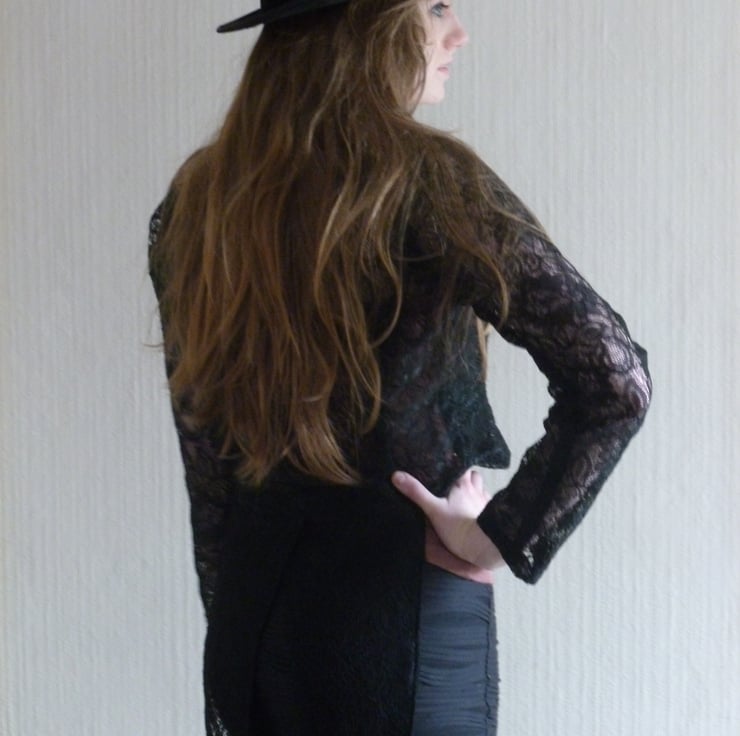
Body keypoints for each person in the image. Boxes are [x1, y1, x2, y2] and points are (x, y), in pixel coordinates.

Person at [148, 1, 652, 734]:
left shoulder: (199, 200)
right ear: (369, 23)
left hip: (255, 623)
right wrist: (498, 534)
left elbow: (210, 475)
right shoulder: (429, 182)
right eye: (435, 5)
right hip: (399, 621)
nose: (458, 31)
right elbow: (616, 383)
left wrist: (237, 624)